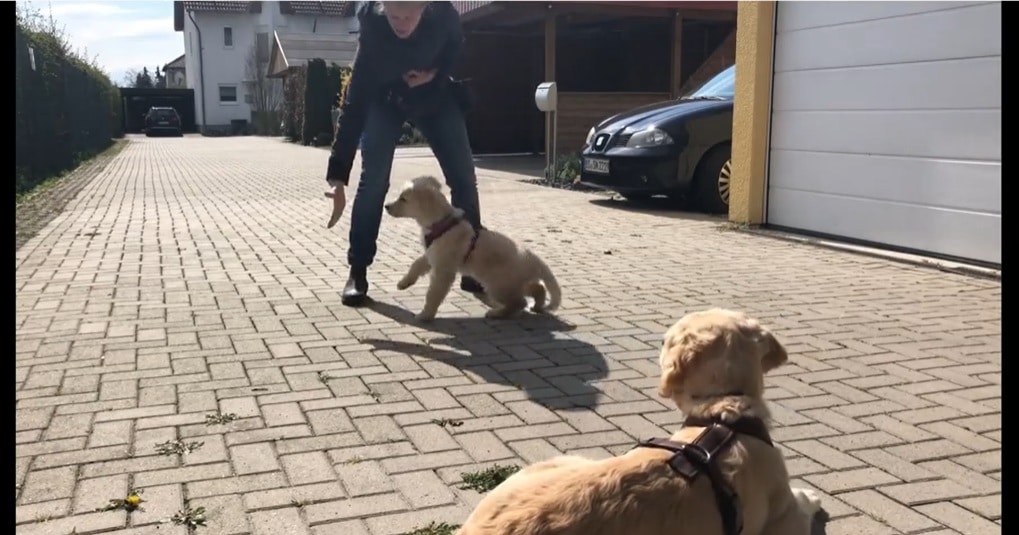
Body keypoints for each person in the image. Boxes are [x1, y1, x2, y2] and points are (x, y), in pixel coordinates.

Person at [325, 1, 484, 307]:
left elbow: (455, 46)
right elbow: (354, 104)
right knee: (373, 180)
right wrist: (337, 176)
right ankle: (358, 270)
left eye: (408, 16)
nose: (400, 22)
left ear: (425, 8)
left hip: (434, 95)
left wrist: (434, 75)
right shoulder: (373, 27)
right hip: (385, 99)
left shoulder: (444, 16)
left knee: (464, 178)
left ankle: (471, 263)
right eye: (393, 15)